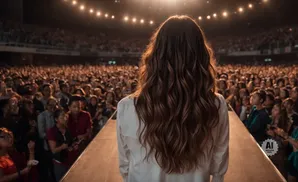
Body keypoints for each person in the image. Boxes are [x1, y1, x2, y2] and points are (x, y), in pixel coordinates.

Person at [116, 16, 229, 182]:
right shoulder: (216, 105)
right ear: (201, 56)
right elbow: (218, 169)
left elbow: (125, 167)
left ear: (155, 55)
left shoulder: (127, 107)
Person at [47, 109, 78, 181]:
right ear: (56, 119)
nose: (65, 118)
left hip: (69, 160)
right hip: (59, 163)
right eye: (62, 117)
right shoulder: (51, 131)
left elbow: (70, 143)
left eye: (65, 116)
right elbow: (53, 150)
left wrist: (73, 146)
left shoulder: (67, 129)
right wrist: (62, 147)